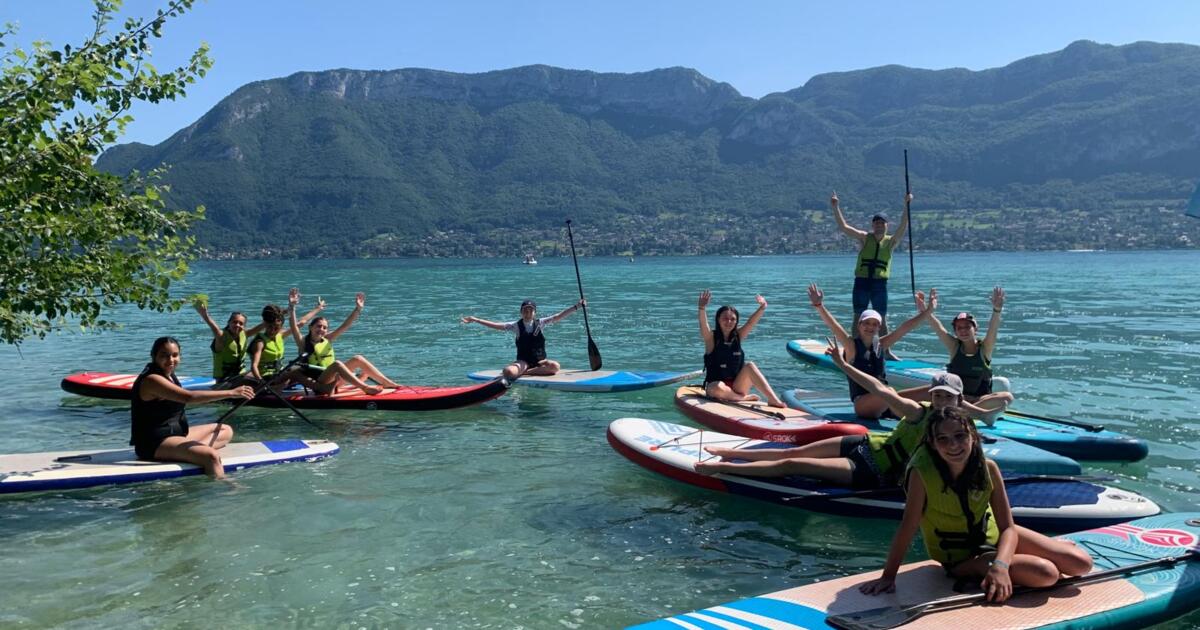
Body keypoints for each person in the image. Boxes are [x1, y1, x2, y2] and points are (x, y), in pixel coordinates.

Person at [857, 406, 1093, 602]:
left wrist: (1000, 564)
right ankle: (999, 563)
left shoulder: (988, 468)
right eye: (943, 439)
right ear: (933, 444)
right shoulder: (922, 474)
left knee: (1082, 564)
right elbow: (908, 527)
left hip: (996, 539)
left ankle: (1040, 550)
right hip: (962, 558)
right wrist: (888, 577)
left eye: (960, 436)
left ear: (972, 434)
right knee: (1046, 573)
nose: (953, 446)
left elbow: (1008, 528)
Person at [130, 336, 255, 478]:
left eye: (175, 355)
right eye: (164, 355)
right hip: (154, 443)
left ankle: (190, 452)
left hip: (175, 434)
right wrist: (231, 393)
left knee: (225, 430)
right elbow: (188, 397)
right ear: (154, 356)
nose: (170, 360)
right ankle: (224, 491)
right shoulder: (152, 379)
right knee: (211, 456)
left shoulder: (169, 374)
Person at [808, 282, 936, 418]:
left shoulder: (881, 344)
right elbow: (833, 325)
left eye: (875, 324)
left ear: (879, 328)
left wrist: (929, 311)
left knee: (932, 390)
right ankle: (909, 419)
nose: (870, 327)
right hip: (864, 404)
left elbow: (904, 328)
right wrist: (819, 306)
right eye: (867, 323)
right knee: (888, 391)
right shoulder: (851, 346)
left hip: (886, 400)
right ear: (859, 325)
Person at [916, 286, 1014, 419]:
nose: (963, 330)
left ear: (976, 329)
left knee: (1006, 397)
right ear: (955, 331)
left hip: (978, 400)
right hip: (953, 398)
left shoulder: (984, 348)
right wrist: (925, 311)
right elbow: (938, 327)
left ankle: (969, 411)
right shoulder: (954, 346)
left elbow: (993, 329)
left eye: (967, 327)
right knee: (929, 391)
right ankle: (973, 413)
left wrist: (997, 310)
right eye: (959, 328)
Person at [287, 288, 401, 395]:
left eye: (324, 327)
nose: (321, 329)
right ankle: (364, 387)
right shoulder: (302, 342)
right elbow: (293, 326)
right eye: (318, 326)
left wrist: (358, 309)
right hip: (320, 382)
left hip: (335, 379)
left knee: (358, 359)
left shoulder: (328, 339)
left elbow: (345, 325)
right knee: (337, 364)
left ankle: (386, 382)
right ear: (310, 327)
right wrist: (292, 306)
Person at [831, 190, 911, 339]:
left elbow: (903, 225)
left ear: (887, 225)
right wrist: (835, 207)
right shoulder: (864, 238)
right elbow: (844, 227)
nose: (879, 225)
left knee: (881, 317)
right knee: (858, 316)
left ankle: (884, 351)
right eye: (876, 223)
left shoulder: (891, 242)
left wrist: (906, 205)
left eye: (882, 223)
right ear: (873, 225)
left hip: (880, 284)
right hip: (862, 282)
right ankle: (854, 347)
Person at [697, 290, 785, 408]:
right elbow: (704, 325)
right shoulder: (711, 339)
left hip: (738, 386)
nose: (729, 321)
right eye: (725, 318)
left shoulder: (738, 336)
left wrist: (763, 307)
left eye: (732, 319)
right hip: (718, 388)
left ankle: (773, 399)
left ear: (736, 321)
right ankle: (742, 398)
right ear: (718, 319)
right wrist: (702, 308)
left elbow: (750, 323)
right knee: (715, 387)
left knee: (750, 366)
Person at [461, 298, 586, 380]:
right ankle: (522, 370)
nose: (528, 312)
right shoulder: (515, 326)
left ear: (535, 313)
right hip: (523, 361)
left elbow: (559, 316)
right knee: (508, 372)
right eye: (525, 310)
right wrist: (476, 320)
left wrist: (577, 306)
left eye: (531, 310)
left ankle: (525, 373)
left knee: (555, 367)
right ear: (521, 312)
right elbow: (496, 325)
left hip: (540, 361)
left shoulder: (541, 323)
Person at [194, 301, 264, 384]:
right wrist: (204, 315)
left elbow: (262, 326)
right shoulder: (221, 337)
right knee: (258, 381)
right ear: (229, 323)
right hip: (224, 380)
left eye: (241, 323)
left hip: (239, 375)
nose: (237, 325)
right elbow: (215, 328)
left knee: (264, 375)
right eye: (235, 322)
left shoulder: (244, 334)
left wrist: (278, 316)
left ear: (244, 326)